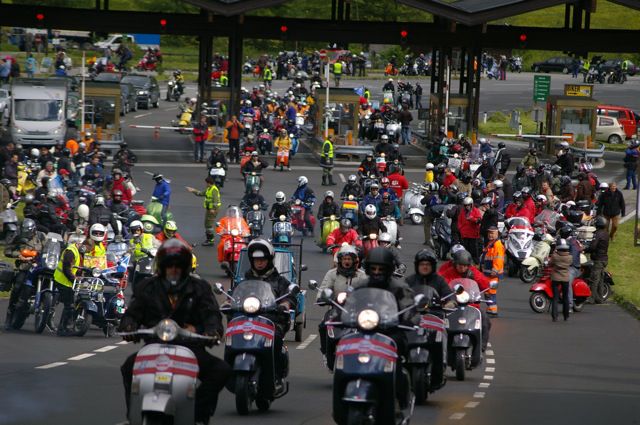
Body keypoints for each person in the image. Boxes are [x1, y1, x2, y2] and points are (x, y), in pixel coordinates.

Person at [119, 239, 231, 424]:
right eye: (169, 265)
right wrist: (129, 327)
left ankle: (197, 414)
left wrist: (209, 331)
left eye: (178, 265)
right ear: (162, 267)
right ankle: (133, 415)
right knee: (127, 368)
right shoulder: (148, 287)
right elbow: (132, 313)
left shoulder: (199, 288)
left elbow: (212, 315)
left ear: (186, 267)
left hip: (190, 347)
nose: (173, 269)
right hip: (155, 345)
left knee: (221, 370)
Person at [244, 239, 296, 388]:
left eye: (263, 260)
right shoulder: (246, 279)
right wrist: (229, 302)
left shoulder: (280, 281)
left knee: (276, 340)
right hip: (248, 320)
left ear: (269, 260)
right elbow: (236, 295)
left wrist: (285, 304)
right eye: (256, 260)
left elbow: (290, 296)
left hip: (272, 321)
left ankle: (277, 376)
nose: (259, 263)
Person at [317, 245, 367, 357]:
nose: (347, 261)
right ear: (340, 260)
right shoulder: (332, 274)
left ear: (354, 261)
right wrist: (323, 297)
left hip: (357, 311)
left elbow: (369, 291)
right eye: (344, 259)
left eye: (349, 259)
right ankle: (327, 353)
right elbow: (324, 288)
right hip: (336, 309)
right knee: (323, 326)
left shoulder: (363, 276)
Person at [438, 249, 491, 350]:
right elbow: (441, 285)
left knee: (485, 320)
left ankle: (481, 347)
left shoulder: (473, 271)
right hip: (453, 305)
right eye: (460, 265)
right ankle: (441, 347)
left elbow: (485, 284)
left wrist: (474, 276)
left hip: (471, 305)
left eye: (465, 265)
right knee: (439, 321)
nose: (463, 268)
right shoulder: (448, 273)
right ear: (455, 264)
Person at [3, 219, 46, 330]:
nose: (26, 234)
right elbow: (7, 251)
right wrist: (19, 255)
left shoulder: (41, 237)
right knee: (17, 286)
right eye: (24, 231)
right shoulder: (18, 237)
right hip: (25, 268)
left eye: (28, 232)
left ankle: (48, 317)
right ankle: (10, 314)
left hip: (40, 267)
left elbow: (49, 249)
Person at [187, 176, 221, 246]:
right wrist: (193, 190)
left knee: (209, 225)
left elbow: (215, 201)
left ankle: (210, 240)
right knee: (207, 224)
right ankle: (209, 239)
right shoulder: (209, 189)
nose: (205, 184)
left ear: (208, 183)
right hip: (209, 209)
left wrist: (213, 209)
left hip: (212, 210)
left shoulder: (214, 190)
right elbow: (201, 193)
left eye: (206, 183)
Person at [480, 226, 504, 316]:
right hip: (488, 272)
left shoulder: (497, 245)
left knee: (491, 291)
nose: (490, 235)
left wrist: (495, 270)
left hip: (493, 273)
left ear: (497, 234)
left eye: (492, 233)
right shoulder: (491, 243)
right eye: (489, 233)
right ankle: (490, 308)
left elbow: (498, 259)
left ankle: (493, 310)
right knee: (487, 291)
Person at [585, 216, 609, 303]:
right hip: (604, 258)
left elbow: (593, 246)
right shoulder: (606, 233)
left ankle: (592, 298)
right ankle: (600, 298)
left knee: (594, 279)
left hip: (598, 259)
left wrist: (585, 249)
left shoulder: (598, 234)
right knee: (600, 279)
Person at [550, 239, 572, 321]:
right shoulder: (570, 257)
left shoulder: (555, 256)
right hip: (565, 278)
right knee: (565, 297)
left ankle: (554, 316)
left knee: (555, 297)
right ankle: (566, 315)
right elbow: (570, 264)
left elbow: (550, 264)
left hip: (555, 277)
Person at [458, 197, 482, 264]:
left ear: (471, 204)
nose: (467, 207)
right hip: (465, 235)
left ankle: (477, 264)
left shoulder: (475, 210)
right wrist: (460, 229)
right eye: (466, 205)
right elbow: (459, 221)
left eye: (468, 205)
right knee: (466, 250)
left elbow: (479, 220)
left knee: (474, 251)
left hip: (473, 235)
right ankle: (467, 263)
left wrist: (472, 219)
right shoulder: (462, 211)